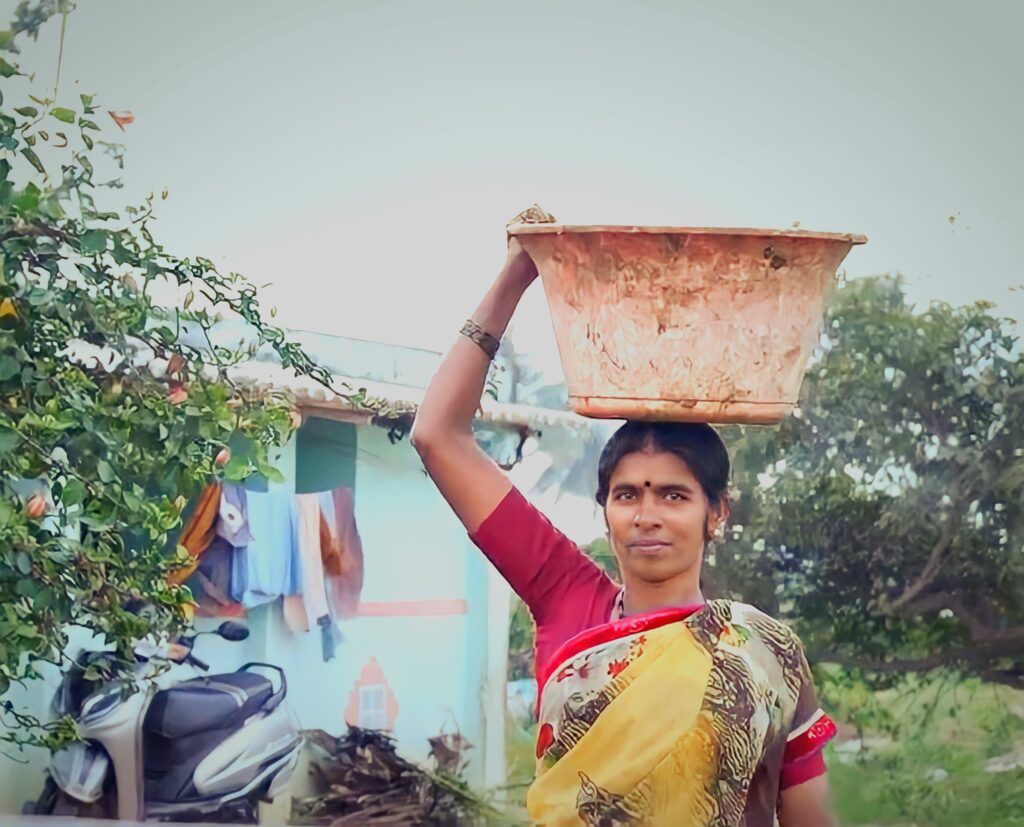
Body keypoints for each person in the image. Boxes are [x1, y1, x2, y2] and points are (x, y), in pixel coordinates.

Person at [410, 239, 837, 826]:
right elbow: (438, 436)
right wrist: (514, 278)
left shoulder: (766, 651)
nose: (647, 514)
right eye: (628, 494)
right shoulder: (566, 595)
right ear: (605, 508)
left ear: (718, 512)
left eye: (674, 496)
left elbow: (810, 817)